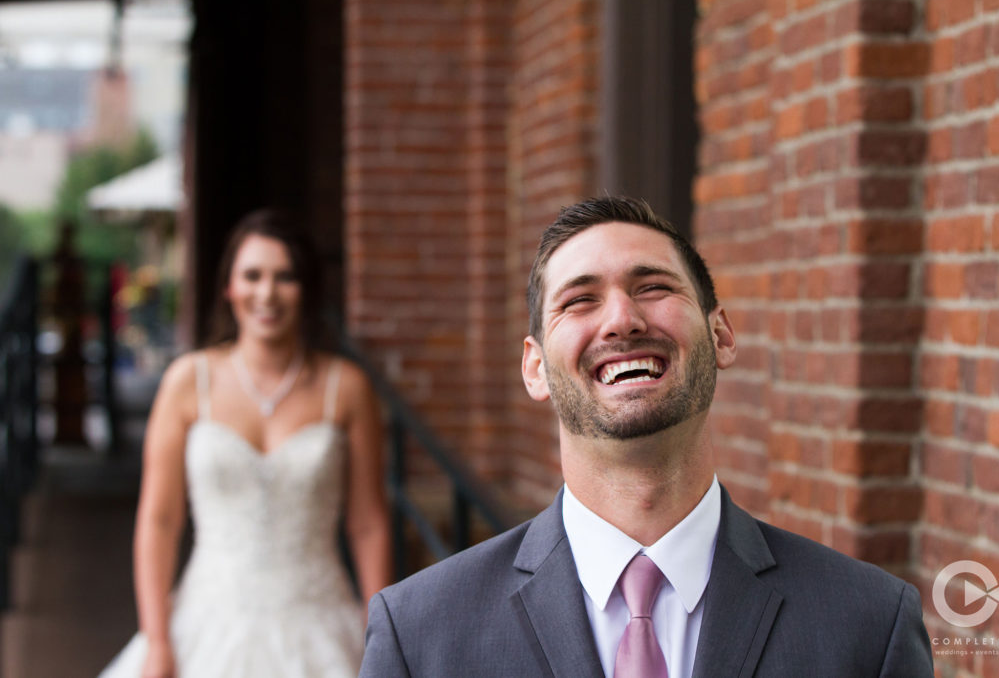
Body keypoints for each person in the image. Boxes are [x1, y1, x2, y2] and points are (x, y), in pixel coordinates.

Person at [359, 196, 933, 677]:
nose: (621, 320)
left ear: (721, 335)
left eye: (653, 287)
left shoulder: (870, 624)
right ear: (534, 368)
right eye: (580, 300)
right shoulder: (419, 634)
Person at [101, 209, 391, 678]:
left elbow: (368, 524)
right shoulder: (187, 381)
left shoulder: (347, 387)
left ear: (306, 288)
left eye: (285, 277)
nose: (266, 293)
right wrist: (157, 640)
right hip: (207, 621)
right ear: (228, 287)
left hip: (319, 623)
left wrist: (380, 636)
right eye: (252, 276)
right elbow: (160, 519)